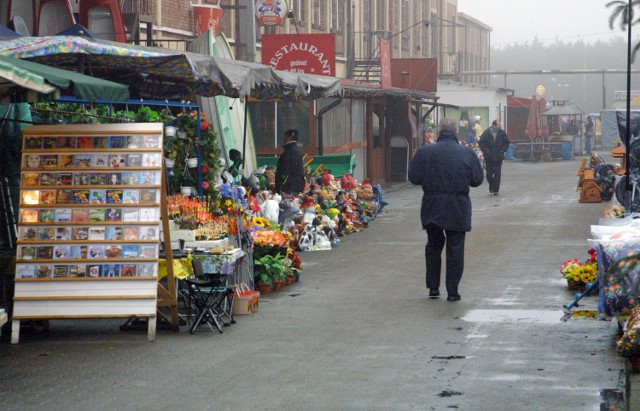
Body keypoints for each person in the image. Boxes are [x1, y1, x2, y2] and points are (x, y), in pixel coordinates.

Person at [408, 118, 484, 301]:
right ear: (456, 132)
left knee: (433, 245)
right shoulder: (467, 153)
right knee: (455, 247)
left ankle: (433, 287)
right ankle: (453, 291)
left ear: (438, 132)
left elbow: (414, 177)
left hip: (432, 203)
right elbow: (477, 180)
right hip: (458, 205)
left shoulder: (425, 152)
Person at [479, 119, 510, 196]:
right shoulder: (487, 133)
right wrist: (487, 151)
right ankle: (492, 184)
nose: (500, 126)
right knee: (489, 174)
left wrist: (503, 150)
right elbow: (481, 143)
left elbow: (506, 142)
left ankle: (496, 190)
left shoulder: (502, 133)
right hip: (489, 156)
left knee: (497, 173)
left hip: (499, 156)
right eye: (499, 125)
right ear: (494, 125)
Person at [275, 129, 305, 195]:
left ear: (290, 137)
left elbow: (285, 170)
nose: (283, 138)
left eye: (285, 136)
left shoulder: (290, 152)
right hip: (294, 185)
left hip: (290, 188)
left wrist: (279, 187)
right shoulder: (294, 150)